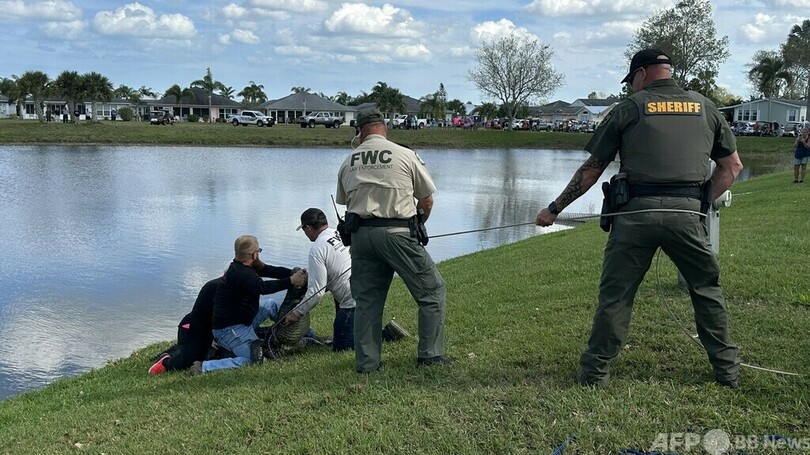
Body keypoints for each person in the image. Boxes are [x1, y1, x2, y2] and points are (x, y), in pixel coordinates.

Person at [535, 49, 744, 389]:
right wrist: (699, 204)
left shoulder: (629, 108)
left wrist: (554, 209)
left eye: (631, 80)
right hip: (688, 215)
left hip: (635, 216)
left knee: (617, 295)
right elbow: (732, 167)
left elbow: (592, 171)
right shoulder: (706, 107)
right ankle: (728, 372)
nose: (631, 87)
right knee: (707, 291)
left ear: (643, 74)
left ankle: (595, 374)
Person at [337, 107, 451, 373]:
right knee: (431, 290)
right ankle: (430, 356)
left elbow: (347, 202)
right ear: (384, 127)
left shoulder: (348, 161)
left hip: (361, 238)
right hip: (397, 232)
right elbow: (427, 199)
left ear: (359, 131)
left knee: (366, 301)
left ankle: (367, 364)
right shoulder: (404, 154)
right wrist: (419, 223)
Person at [192, 235, 306, 375]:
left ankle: (305, 334)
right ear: (254, 254)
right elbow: (262, 288)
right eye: (259, 251)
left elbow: (270, 270)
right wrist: (291, 281)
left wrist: (292, 273)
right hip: (229, 329)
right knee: (253, 359)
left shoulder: (245, 266)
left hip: (245, 321)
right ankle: (204, 367)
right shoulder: (240, 273)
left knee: (270, 305)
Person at [282, 208, 356, 352]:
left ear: (308, 228)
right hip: (363, 290)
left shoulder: (317, 249)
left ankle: (386, 335)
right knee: (350, 334)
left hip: (351, 301)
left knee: (342, 349)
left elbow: (317, 292)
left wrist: (295, 313)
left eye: (304, 230)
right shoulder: (339, 233)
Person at [148, 277, 223, 374]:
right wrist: (208, 340)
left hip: (212, 329)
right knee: (189, 360)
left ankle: (179, 349)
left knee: (208, 355)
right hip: (190, 327)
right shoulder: (212, 286)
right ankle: (165, 361)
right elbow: (197, 318)